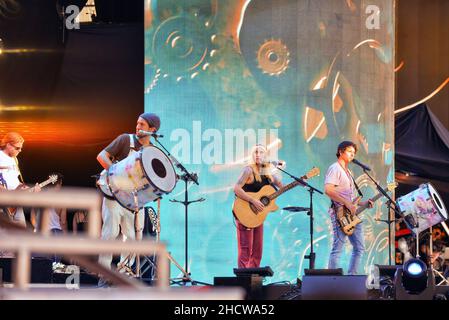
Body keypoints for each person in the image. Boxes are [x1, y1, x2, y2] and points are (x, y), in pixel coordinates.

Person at [97, 113, 161, 280]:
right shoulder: (126, 139)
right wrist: (116, 175)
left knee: (131, 238)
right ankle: (103, 274)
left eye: (142, 125)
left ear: (152, 130)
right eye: (137, 123)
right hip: (114, 194)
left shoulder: (151, 151)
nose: (138, 127)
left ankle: (123, 273)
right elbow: (102, 156)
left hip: (132, 199)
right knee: (110, 233)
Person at [324, 141, 373, 275]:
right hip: (339, 213)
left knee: (359, 247)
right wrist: (347, 203)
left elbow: (351, 200)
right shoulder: (335, 168)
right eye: (349, 151)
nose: (352, 154)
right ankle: (331, 279)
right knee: (337, 248)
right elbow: (328, 190)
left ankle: (352, 276)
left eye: (354, 153)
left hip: (351, 214)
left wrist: (363, 203)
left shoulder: (348, 171)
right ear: (340, 151)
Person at [233, 144, 283, 268]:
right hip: (245, 212)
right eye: (255, 152)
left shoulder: (268, 174)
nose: (258, 155)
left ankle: (254, 278)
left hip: (258, 215)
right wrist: (253, 200)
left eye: (261, 152)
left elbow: (282, 187)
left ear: (265, 156)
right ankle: (243, 280)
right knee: (246, 249)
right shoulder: (248, 170)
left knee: (257, 250)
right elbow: (236, 188)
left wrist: (300, 181)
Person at [0, 132, 41, 228]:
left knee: (21, 232)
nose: (20, 150)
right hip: (3, 201)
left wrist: (26, 188)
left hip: (15, 203)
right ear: (8, 145)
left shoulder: (15, 159)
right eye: (17, 148)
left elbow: (15, 180)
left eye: (21, 148)